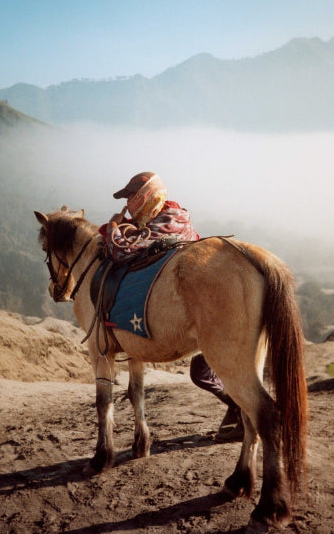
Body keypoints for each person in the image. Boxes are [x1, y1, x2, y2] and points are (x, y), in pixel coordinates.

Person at [101, 171, 244, 442]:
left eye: (131, 197)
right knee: (203, 374)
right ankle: (236, 410)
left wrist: (114, 227)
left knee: (207, 373)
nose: (128, 204)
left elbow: (122, 252)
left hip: (194, 308)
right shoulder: (175, 217)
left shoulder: (163, 224)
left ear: (146, 197)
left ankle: (244, 410)